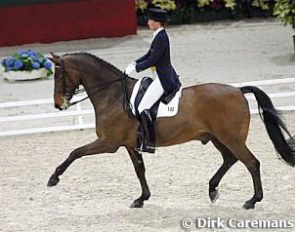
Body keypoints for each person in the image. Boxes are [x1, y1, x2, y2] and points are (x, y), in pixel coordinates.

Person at [124, 8, 181, 153]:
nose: (148, 23)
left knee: (143, 107)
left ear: (157, 22)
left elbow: (153, 60)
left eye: (150, 20)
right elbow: (148, 54)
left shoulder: (161, 37)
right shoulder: (158, 35)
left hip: (163, 79)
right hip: (159, 76)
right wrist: (135, 63)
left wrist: (137, 69)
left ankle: (150, 142)